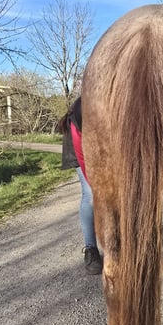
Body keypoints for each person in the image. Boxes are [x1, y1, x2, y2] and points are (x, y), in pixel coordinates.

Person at [60, 97, 103, 275]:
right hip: (79, 141)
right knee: (91, 193)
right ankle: (91, 249)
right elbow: (87, 164)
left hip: (104, 144)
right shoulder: (83, 111)